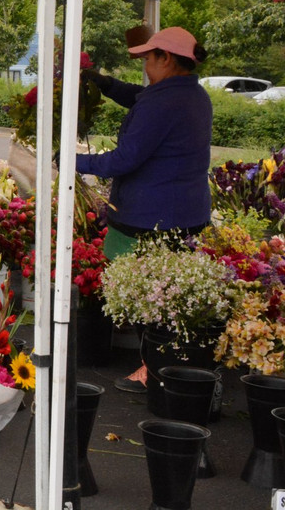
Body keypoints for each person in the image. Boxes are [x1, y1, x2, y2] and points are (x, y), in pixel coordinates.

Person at [76, 25, 212, 392]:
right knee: (168, 294)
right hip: (185, 213)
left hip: (149, 217)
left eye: (149, 58)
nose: (146, 67)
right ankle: (163, 365)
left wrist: (75, 161)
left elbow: (125, 159)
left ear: (166, 59)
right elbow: (139, 96)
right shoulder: (193, 94)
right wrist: (104, 84)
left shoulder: (162, 101)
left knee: (146, 296)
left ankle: (154, 369)